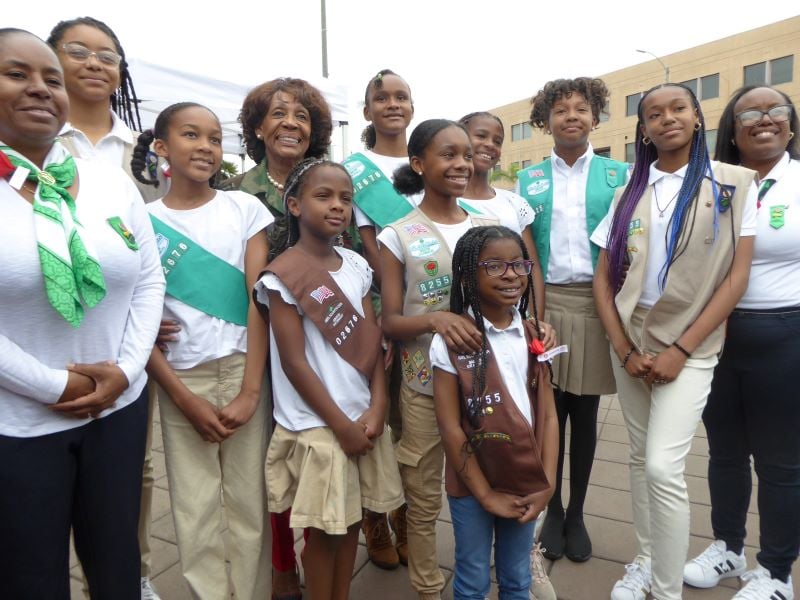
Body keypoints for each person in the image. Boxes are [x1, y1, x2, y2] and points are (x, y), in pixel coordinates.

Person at [0, 28, 164, 599]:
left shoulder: (106, 182)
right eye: (17, 74)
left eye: (50, 78)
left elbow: (149, 279)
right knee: (30, 576)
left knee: (117, 562)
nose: (40, 89)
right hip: (18, 424)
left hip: (117, 410)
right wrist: (52, 384)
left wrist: (126, 370)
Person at [591, 83, 757, 600]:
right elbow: (603, 279)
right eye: (654, 114)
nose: (667, 119)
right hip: (631, 339)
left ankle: (665, 589)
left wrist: (681, 349)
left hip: (691, 345)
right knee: (640, 459)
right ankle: (645, 560)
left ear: (698, 118)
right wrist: (623, 348)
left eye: (678, 109)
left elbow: (737, 276)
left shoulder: (734, 184)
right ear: (642, 130)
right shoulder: (629, 191)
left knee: (664, 465)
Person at [254, 158, 404, 600]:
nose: (337, 206)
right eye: (324, 196)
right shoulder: (283, 275)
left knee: (351, 520)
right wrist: (340, 425)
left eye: (346, 198)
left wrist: (377, 408)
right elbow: (294, 363)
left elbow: (371, 343)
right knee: (322, 533)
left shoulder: (357, 265)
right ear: (296, 206)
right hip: (318, 427)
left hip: (362, 418)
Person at [138, 102, 272, 599]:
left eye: (214, 138)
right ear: (161, 146)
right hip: (181, 381)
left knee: (248, 507)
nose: (206, 147)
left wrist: (252, 390)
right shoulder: (141, 219)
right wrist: (183, 398)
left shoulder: (245, 209)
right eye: (191, 135)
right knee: (193, 512)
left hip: (243, 370)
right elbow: (137, 321)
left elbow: (259, 302)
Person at [379, 118, 508, 600]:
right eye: (446, 154)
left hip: (485, 382)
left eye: (465, 154)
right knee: (424, 493)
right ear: (418, 164)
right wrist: (436, 320)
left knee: (497, 473)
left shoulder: (486, 228)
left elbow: (507, 299)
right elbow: (390, 320)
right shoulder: (400, 234)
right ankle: (429, 587)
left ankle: (508, 571)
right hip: (422, 387)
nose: (460, 163)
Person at [682, 86, 800, 600]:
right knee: (725, 454)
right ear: (732, 128)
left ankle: (776, 571)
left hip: (784, 336)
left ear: (791, 127)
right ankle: (728, 547)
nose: (763, 119)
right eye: (749, 112)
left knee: (781, 462)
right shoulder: (714, 183)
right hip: (719, 337)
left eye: (776, 110)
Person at [220, 76, 333, 600]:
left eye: (303, 116)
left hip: (330, 347)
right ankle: (282, 564)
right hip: (263, 350)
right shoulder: (237, 196)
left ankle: (321, 552)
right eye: (279, 114)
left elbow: (361, 267)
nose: (291, 123)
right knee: (274, 458)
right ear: (258, 127)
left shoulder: (332, 183)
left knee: (320, 449)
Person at [516, 77, 628, 564]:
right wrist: (532, 315)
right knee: (548, 409)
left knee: (584, 413)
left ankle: (578, 510)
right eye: (560, 110)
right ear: (546, 121)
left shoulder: (619, 175)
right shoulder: (527, 179)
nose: (571, 117)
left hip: (597, 302)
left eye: (581, 109)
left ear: (596, 118)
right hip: (545, 305)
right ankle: (553, 508)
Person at [431, 225, 559, 600]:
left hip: (524, 479)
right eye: (495, 265)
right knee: (471, 578)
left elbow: (549, 417)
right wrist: (485, 495)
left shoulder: (535, 336)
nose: (511, 275)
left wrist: (547, 485)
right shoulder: (454, 341)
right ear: (469, 274)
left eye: (519, 265)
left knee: (518, 578)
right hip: (472, 485)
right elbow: (450, 427)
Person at [342, 68, 415, 570]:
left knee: (417, 422)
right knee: (378, 414)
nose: (393, 104)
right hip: (379, 303)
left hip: (433, 306)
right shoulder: (355, 168)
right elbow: (367, 244)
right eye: (381, 98)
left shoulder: (426, 155)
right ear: (367, 111)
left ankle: (411, 519)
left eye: (402, 97)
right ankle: (375, 519)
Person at [458, 111, 544, 316]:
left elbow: (532, 268)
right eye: (480, 136)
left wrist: (535, 322)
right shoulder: (440, 202)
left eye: (497, 141)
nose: (489, 144)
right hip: (459, 323)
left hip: (510, 322)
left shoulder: (513, 203)